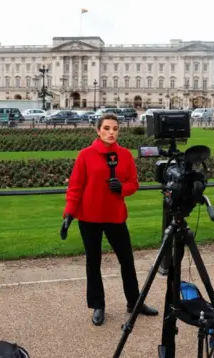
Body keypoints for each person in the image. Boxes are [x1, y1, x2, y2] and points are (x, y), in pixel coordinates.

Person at [62, 113, 158, 326]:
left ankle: (134, 302)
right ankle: (98, 305)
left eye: (115, 128)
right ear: (98, 130)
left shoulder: (124, 155)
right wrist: (69, 214)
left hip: (115, 216)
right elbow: (75, 187)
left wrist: (122, 188)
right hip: (90, 216)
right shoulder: (85, 155)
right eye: (106, 128)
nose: (111, 132)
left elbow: (134, 183)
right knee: (93, 262)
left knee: (127, 260)